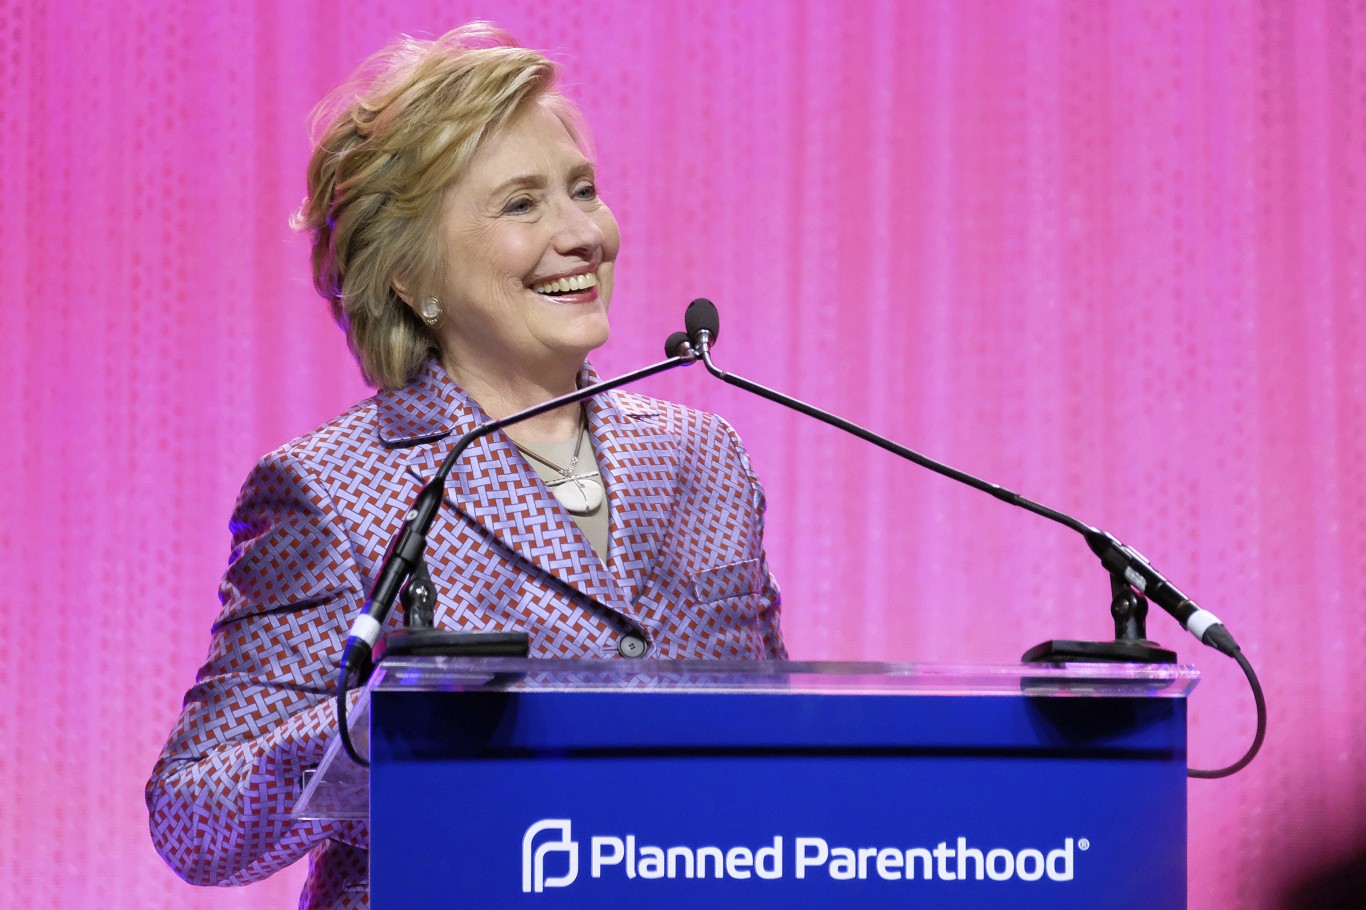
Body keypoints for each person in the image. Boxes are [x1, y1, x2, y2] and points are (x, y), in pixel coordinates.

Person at [145, 23, 785, 910]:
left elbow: (768, 742)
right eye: (521, 205)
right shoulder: (330, 491)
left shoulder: (702, 456)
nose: (582, 235)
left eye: (583, 190)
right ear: (415, 277)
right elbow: (193, 817)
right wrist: (374, 730)